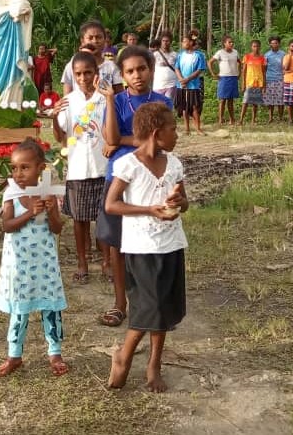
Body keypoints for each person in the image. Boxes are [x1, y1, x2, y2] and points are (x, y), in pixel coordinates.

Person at [106, 102, 188, 392]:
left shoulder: (174, 163)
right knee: (147, 306)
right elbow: (111, 204)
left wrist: (179, 202)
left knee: (163, 308)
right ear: (156, 133)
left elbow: (185, 202)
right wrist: (148, 210)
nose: (177, 134)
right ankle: (124, 356)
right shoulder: (128, 164)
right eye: (173, 129)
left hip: (172, 244)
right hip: (142, 247)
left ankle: (154, 364)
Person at [97, 45, 173, 329]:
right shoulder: (116, 101)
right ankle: (119, 304)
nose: (137, 75)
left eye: (141, 68)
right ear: (123, 75)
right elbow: (111, 136)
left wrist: (126, 141)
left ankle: (147, 301)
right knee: (117, 244)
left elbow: (163, 141)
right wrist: (108, 101)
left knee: (149, 241)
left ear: (151, 70)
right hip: (118, 177)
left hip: (151, 178)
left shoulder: (161, 103)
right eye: (129, 71)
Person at [0, 139, 68, 378]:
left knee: (50, 307)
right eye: (14, 168)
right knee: (20, 309)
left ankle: (55, 352)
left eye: (25, 167)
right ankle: (14, 354)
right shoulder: (11, 194)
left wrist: (51, 210)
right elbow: (7, 225)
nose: (18, 173)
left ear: (41, 168)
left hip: (44, 263)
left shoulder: (48, 193)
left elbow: (57, 228)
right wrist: (30, 212)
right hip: (20, 265)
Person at [53, 52, 108, 283]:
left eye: (88, 72)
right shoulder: (69, 102)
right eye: (78, 74)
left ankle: (107, 261)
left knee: (104, 218)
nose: (83, 78)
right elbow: (60, 137)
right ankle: (82, 263)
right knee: (79, 219)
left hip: (103, 167)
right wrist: (54, 117)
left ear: (96, 73)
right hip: (77, 168)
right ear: (73, 76)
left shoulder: (105, 99)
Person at [61, 20, 124, 96]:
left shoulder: (112, 67)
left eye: (99, 37)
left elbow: (120, 95)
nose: (95, 41)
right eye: (90, 38)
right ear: (82, 41)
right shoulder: (72, 65)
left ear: (105, 40)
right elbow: (67, 96)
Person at [174, 32, 206, 135]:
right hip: (181, 85)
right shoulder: (180, 55)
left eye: (185, 41)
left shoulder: (199, 55)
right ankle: (187, 129)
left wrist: (187, 79)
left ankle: (198, 128)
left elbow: (199, 70)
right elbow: (177, 67)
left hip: (193, 85)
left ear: (191, 42)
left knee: (195, 107)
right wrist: (181, 79)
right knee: (184, 107)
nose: (183, 43)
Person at [209, 36, 240, 125]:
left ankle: (232, 120)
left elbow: (239, 62)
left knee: (231, 100)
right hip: (224, 78)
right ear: (224, 43)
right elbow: (210, 62)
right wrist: (213, 74)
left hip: (233, 77)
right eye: (229, 42)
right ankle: (220, 119)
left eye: (232, 42)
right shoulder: (220, 53)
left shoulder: (235, 52)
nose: (231, 44)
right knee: (222, 100)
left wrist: (239, 73)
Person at [239, 39, 266, 125]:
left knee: (255, 103)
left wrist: (264, 85)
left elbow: (264, 72)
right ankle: (241, 120)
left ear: (260, 47)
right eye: (254, 46)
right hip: (249, 82)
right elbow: (244, 71)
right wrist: (243, 83)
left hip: (258, 82)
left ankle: (253, 120)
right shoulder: (247, 57)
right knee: (245, 102)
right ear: (251, 47)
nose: (256, 48)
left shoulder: (262, 58)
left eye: (257, 46)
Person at [263, 36, 285, 123]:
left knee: (281, 100)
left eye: (276, 43)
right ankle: (270, 117)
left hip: (280, 79)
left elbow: (284, 67)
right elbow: (264, 68)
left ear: (279, 44)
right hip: (269, 79)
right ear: (270, 44)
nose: (274, 45)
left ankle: (280, 117)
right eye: (272, 43)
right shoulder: (267, 55)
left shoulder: (283, 54)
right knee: (269, 100)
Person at [152, 32, 178, 101]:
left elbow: (178, 69)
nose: (165, 43)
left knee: (168, 105)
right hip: (158, 85)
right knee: (158, 106)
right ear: (161, 42)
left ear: (170, 42)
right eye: (163, 41)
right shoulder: (155, 54)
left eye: (167, 41)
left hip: (171, 84)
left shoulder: (175, 55)